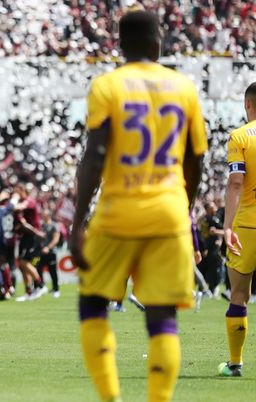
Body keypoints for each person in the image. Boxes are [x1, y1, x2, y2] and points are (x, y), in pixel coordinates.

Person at [69, 11, 207, 402]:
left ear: (121, 43)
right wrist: (186, 207)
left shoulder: (108, 86)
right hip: (168, 212)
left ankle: (110, 396)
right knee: (162, 315)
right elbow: (197, 161)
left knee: (93, 303)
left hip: (117, 213)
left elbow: (94, 157)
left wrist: (78, 222)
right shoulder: (183, 87)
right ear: (155, 42)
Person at [220, 81, 256, 377]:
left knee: (239, 295)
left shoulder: (240, 136)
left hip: (248, 224)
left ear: (247, 104)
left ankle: (235, 363)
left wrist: (227, 226)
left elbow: (235, 183)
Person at [37, 209, 61, 298]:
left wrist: (48, 247)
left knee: (52, 271)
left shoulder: (54, 225)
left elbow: (56, 239)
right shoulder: (40, 225)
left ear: (48, 216)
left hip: (51, 253)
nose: (42, 216)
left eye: (44, 215)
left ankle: (56, 289)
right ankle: (41, 287)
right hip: (39, 253)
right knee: (36, 268)